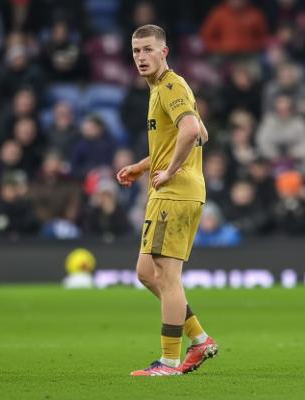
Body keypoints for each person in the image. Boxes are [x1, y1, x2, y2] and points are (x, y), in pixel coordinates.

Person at [116, 25, 217, 376]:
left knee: (167, 275)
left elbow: (191, 131)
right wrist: (143, 166)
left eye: (148, 50)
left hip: (175, 193)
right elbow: (201, 133)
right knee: (147, 272)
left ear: (164, 52)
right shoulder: (164, 88)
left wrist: (170, 171)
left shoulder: (170, 85)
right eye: (136, 51)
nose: (141, 57)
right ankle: (199, 338)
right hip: (177, 191)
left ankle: (169, 361)